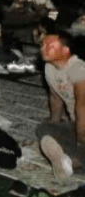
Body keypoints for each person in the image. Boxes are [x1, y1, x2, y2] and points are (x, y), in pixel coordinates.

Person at [36, 32, 85, 181]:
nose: (44, 48)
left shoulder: (78, 68)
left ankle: (70, 163)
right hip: (76, 123)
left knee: (82, 145)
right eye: (43, 45)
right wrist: (54, 125)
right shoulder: (49, 68)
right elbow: (55, 97)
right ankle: (68, 161)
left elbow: (82, 105)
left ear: (65, 50)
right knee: (44, 130)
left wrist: (81, 139)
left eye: (50, 45)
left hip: (83, 121)